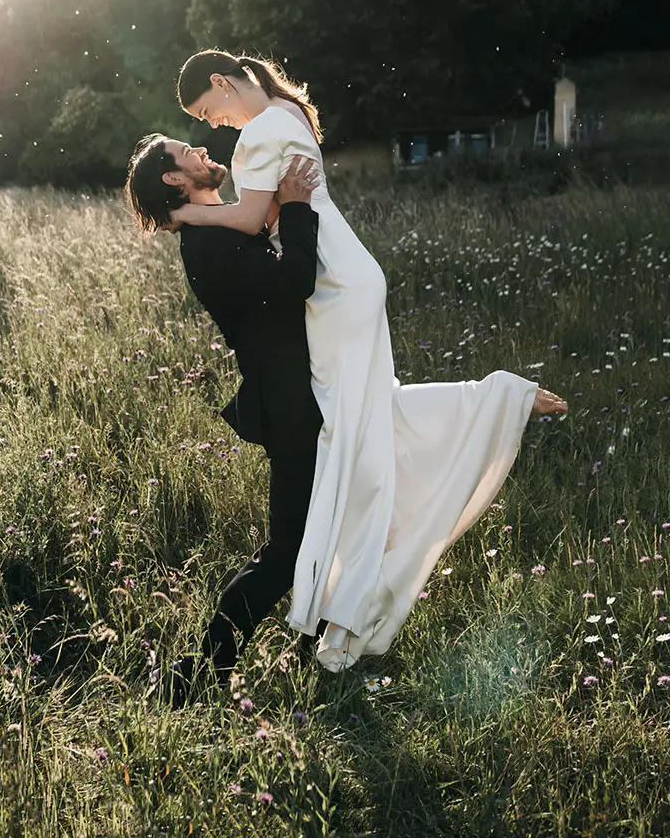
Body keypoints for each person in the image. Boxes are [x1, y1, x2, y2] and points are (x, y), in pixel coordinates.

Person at [171, 49, 568, 672]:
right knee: (366, 424)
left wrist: (184, 212)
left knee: (350, 438)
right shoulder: (286, 113)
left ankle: (336, 601)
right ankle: (497, 401)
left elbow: (251, 219)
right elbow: (276, 212)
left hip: (329, 285)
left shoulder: (260, 130)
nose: (215, 125)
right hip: (351, 274)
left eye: (208, 108)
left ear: (222, 83)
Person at [125, 135, 327, 704]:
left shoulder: (221, 226)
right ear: (173, 179)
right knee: (286, 548)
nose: (198, 149)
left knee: (329, 524)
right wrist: (296, 208)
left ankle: (320, 646)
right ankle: (197, 673)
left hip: (308, 391)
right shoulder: (207, 244)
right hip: (289, 402)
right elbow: (296, 283)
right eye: (183, 150)